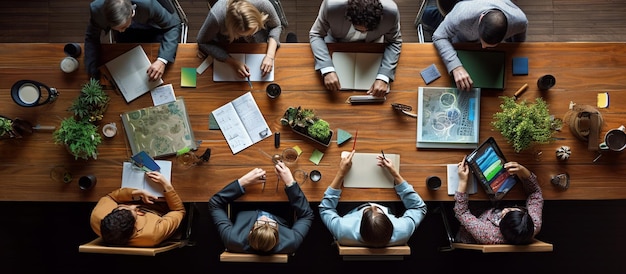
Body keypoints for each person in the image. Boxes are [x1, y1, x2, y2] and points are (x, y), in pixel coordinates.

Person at [319, 150, 427, 247]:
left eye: (370, 210)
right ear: (391, 224)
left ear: (359, 224)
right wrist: (395, 174)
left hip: (351, 207)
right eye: (378, 211)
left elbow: (326, 209)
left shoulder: (343, 229)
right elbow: (418, 207)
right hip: (387, 202)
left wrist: (341, 173)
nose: (373, 206)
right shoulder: (403, 230)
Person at [208, 162, 314, 253]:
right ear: (278, 236)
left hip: (244, 204)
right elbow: (306, 215)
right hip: (280, 206)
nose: (265, 219)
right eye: (271, 224)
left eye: (259, 223)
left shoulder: (232, 239)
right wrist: (290, 183)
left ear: (250, 232)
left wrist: (243, 182)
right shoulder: (291, 242)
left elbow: (215, 203)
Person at [427, 0, 527, 91]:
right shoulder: (461, 14)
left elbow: (518, 41)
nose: (483, 47)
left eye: (488, 45)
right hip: (461, 36)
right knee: (431, 17)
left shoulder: (519, 21)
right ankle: (429, 14)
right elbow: (438, 36)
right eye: (483, 42)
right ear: (481, 18)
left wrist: (513, 49)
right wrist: (456, 67)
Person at [309, 0, 402, 97]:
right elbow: (316, 34)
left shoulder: (391, 12)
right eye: (358, 29)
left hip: (372, 44)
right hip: (336, 42)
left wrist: (384, 77)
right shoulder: (331, 6)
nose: (363, 32)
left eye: (368, 29)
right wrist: (326, 69)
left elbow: (395, 41)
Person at [84, 0, 181, 81]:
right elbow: (92, 38)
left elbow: (174, 25)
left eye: (123, 27)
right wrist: (92, 72)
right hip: (130, 33)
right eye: (117, 28)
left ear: (132, 13)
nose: (121, 31)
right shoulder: (97, 10)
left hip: (152, 26)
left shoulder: (148, 5)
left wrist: (162, 60)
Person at [455, 157, 543, 244]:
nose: (505, 210)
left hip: (474, 215)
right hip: (494, 203)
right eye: (511, 210)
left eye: (503, 215)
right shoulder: (532, 224)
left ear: (501, 227)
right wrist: (522, 170)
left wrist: (463, 181)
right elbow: (535, 194)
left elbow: (462, 213)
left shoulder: (486, 233)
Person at [90, 171, 185, 246]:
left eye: (122, 207)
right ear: (135, 226)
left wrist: (135, 193)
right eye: (134, 211)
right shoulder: (153, 234)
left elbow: (110, 197)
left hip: (135, 196)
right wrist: (167, 186)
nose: (133, 206)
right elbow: (178, 211)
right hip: (161, 207)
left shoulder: (97, 217)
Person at [196, 0, 282, 79]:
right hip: (230, 44)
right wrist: (232, 62)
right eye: (243, 34)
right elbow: (202, 41)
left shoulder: (263, 4)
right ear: (231, 29)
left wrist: (270, 56)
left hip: (260, 44)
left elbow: (276, 26)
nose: (251, 36)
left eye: (254, 30)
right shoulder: (216, 17)